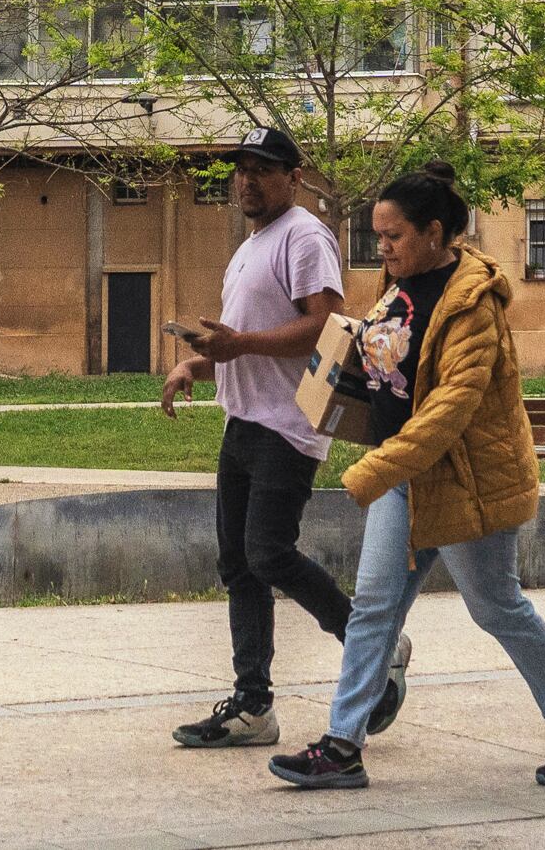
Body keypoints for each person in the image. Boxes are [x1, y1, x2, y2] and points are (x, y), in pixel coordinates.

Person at [268, 167, 545, 793]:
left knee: (496, 607)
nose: (383, 249)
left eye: (394, 236)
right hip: (406, 474)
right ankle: (343, 745)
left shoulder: (473, 304)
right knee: (374, 607)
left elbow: (450, 407)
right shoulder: (397, 283)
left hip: (463, 479)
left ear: (435, 232)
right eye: (377, 237)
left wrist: (374, 468)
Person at [158, 126, 354, 748]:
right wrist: (200, 363)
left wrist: (237, 343)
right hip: (243, 422)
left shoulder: (304, 236)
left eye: (262, 169)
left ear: (294, 177)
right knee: (239, 566)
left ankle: (369, 637)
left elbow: (324, 329)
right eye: (240, 169)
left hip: (289, 426)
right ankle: (253, 707)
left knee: (268, 553)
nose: (246, 180)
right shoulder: (249, 246)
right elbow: (247, 343)